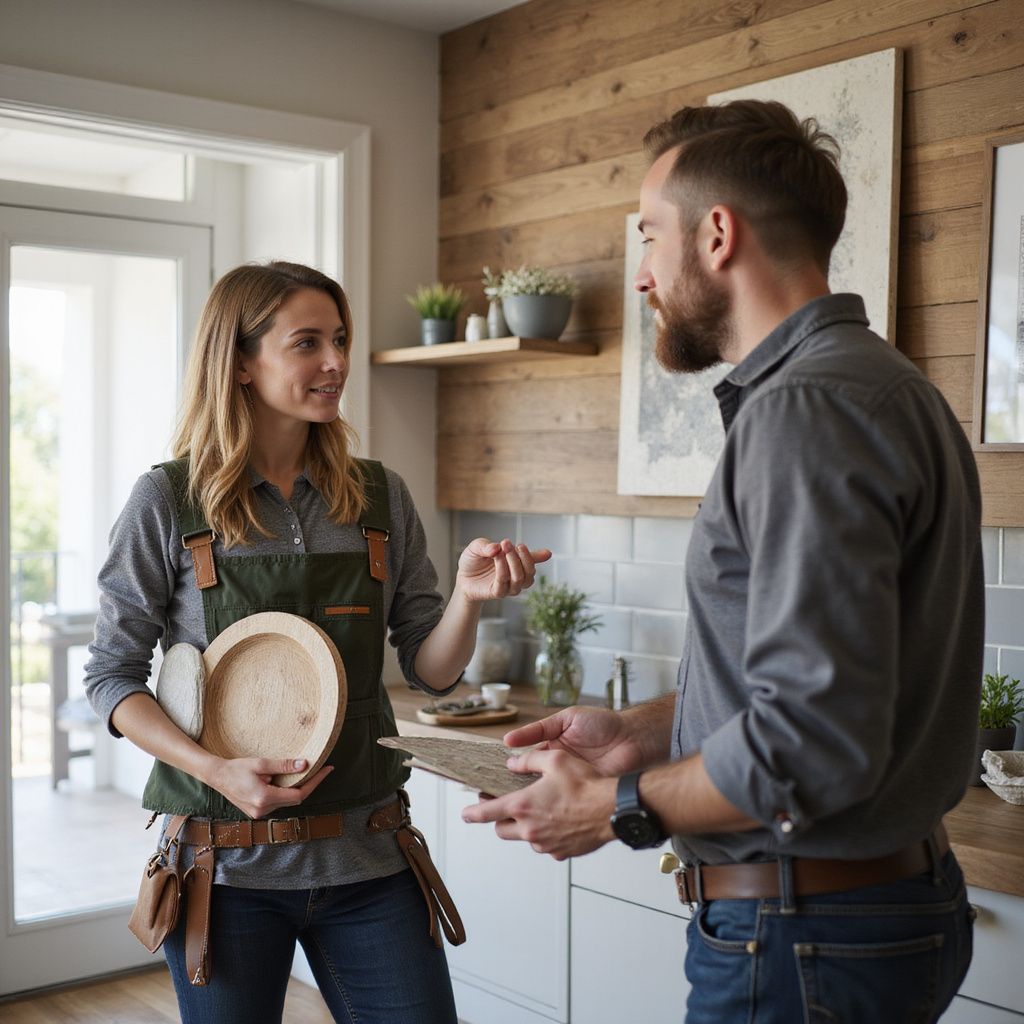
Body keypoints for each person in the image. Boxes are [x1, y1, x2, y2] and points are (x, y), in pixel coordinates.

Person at [463, 99, 983, 1023]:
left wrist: (616, 803)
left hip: (800, 934)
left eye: (649, 237)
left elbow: (814, 741)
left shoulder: (805, 411)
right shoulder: (891, 387)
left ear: (716, 235)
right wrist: (648, 730)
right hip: (857, 916)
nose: (642, 277)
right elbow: (835, 686)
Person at [84, 260, 551, 1024]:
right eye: (307, 343)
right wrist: (216, 770)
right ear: (240, 361)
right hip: (223, 868)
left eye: (339, 339)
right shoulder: (167, 501)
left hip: (371, 861)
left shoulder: (378, 495)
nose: (336, 362)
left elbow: (432, 671)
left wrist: (469, 599)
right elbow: (111, 678)